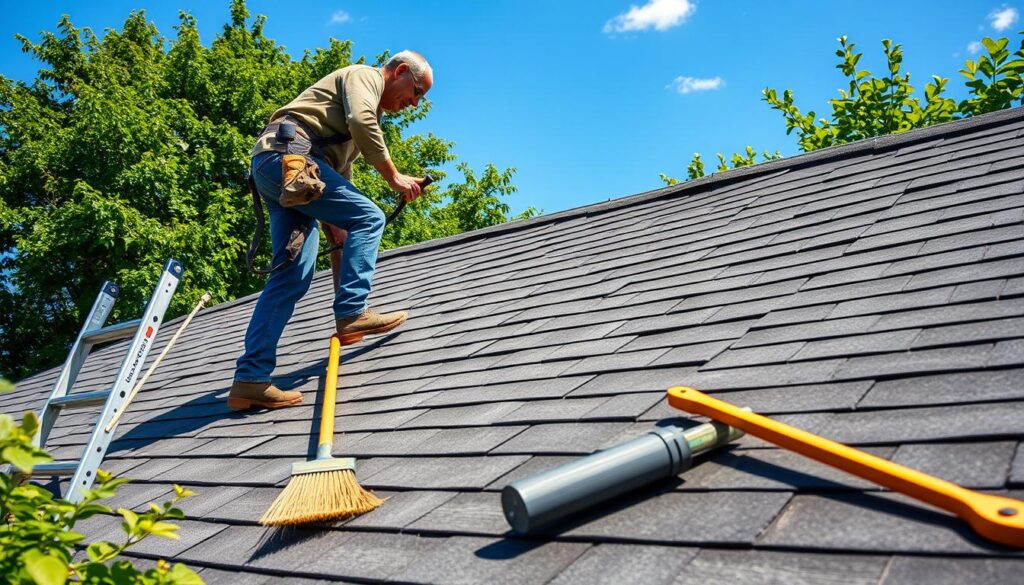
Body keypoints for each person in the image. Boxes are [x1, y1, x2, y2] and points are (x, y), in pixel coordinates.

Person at [227, 50, 433, 411]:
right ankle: (354, 308)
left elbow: (341, 197)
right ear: (399, 71)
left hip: (285, 171)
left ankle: (250, 380)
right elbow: (362, 120)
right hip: (292, 161)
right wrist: (394, 177)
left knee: (292, 277)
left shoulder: (349, 127)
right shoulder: (364, 77)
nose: (414, 103)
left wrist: (347, 328)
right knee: (371, 217)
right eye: (416, 91)